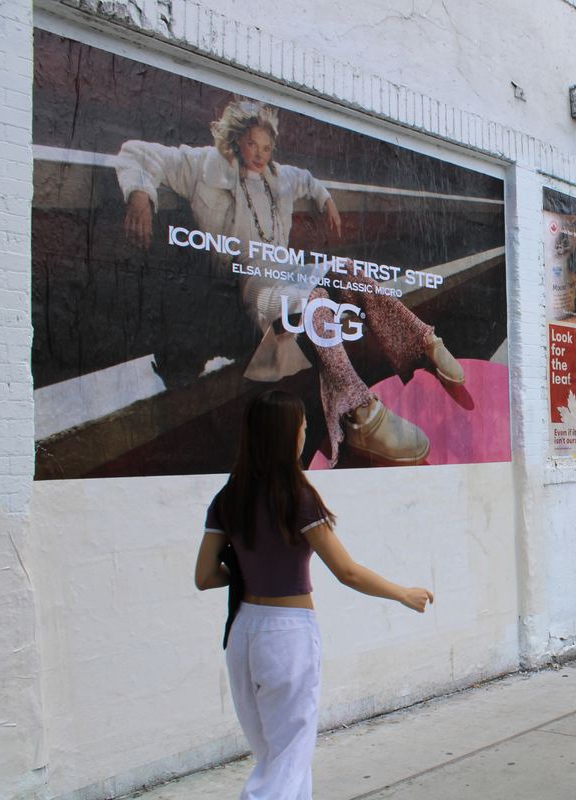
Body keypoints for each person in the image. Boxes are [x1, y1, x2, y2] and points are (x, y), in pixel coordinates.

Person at [117, 97, 463, 465]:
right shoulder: (206, 166)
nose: (260, 154)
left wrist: (326, 200)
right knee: (314, 307)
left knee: (349, 271)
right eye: (252, 144)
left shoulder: (279, 178)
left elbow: (309, 182)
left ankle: (424, 340)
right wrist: (140, 196)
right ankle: (359, 414)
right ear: (236, 140)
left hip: (287, 269)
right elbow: (137, 153)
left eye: (267, 147)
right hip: (252, 282)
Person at [193, 390, 434, 797]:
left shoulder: (227, 498)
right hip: (287, 638)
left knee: (276, 757)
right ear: (289, 436)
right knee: (285, 763)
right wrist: (402, 594)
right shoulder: (296, 497)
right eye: (303, 426)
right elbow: (347, 572)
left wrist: (246, 567)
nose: (305, 433)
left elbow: (205, 576)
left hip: (243, 635)